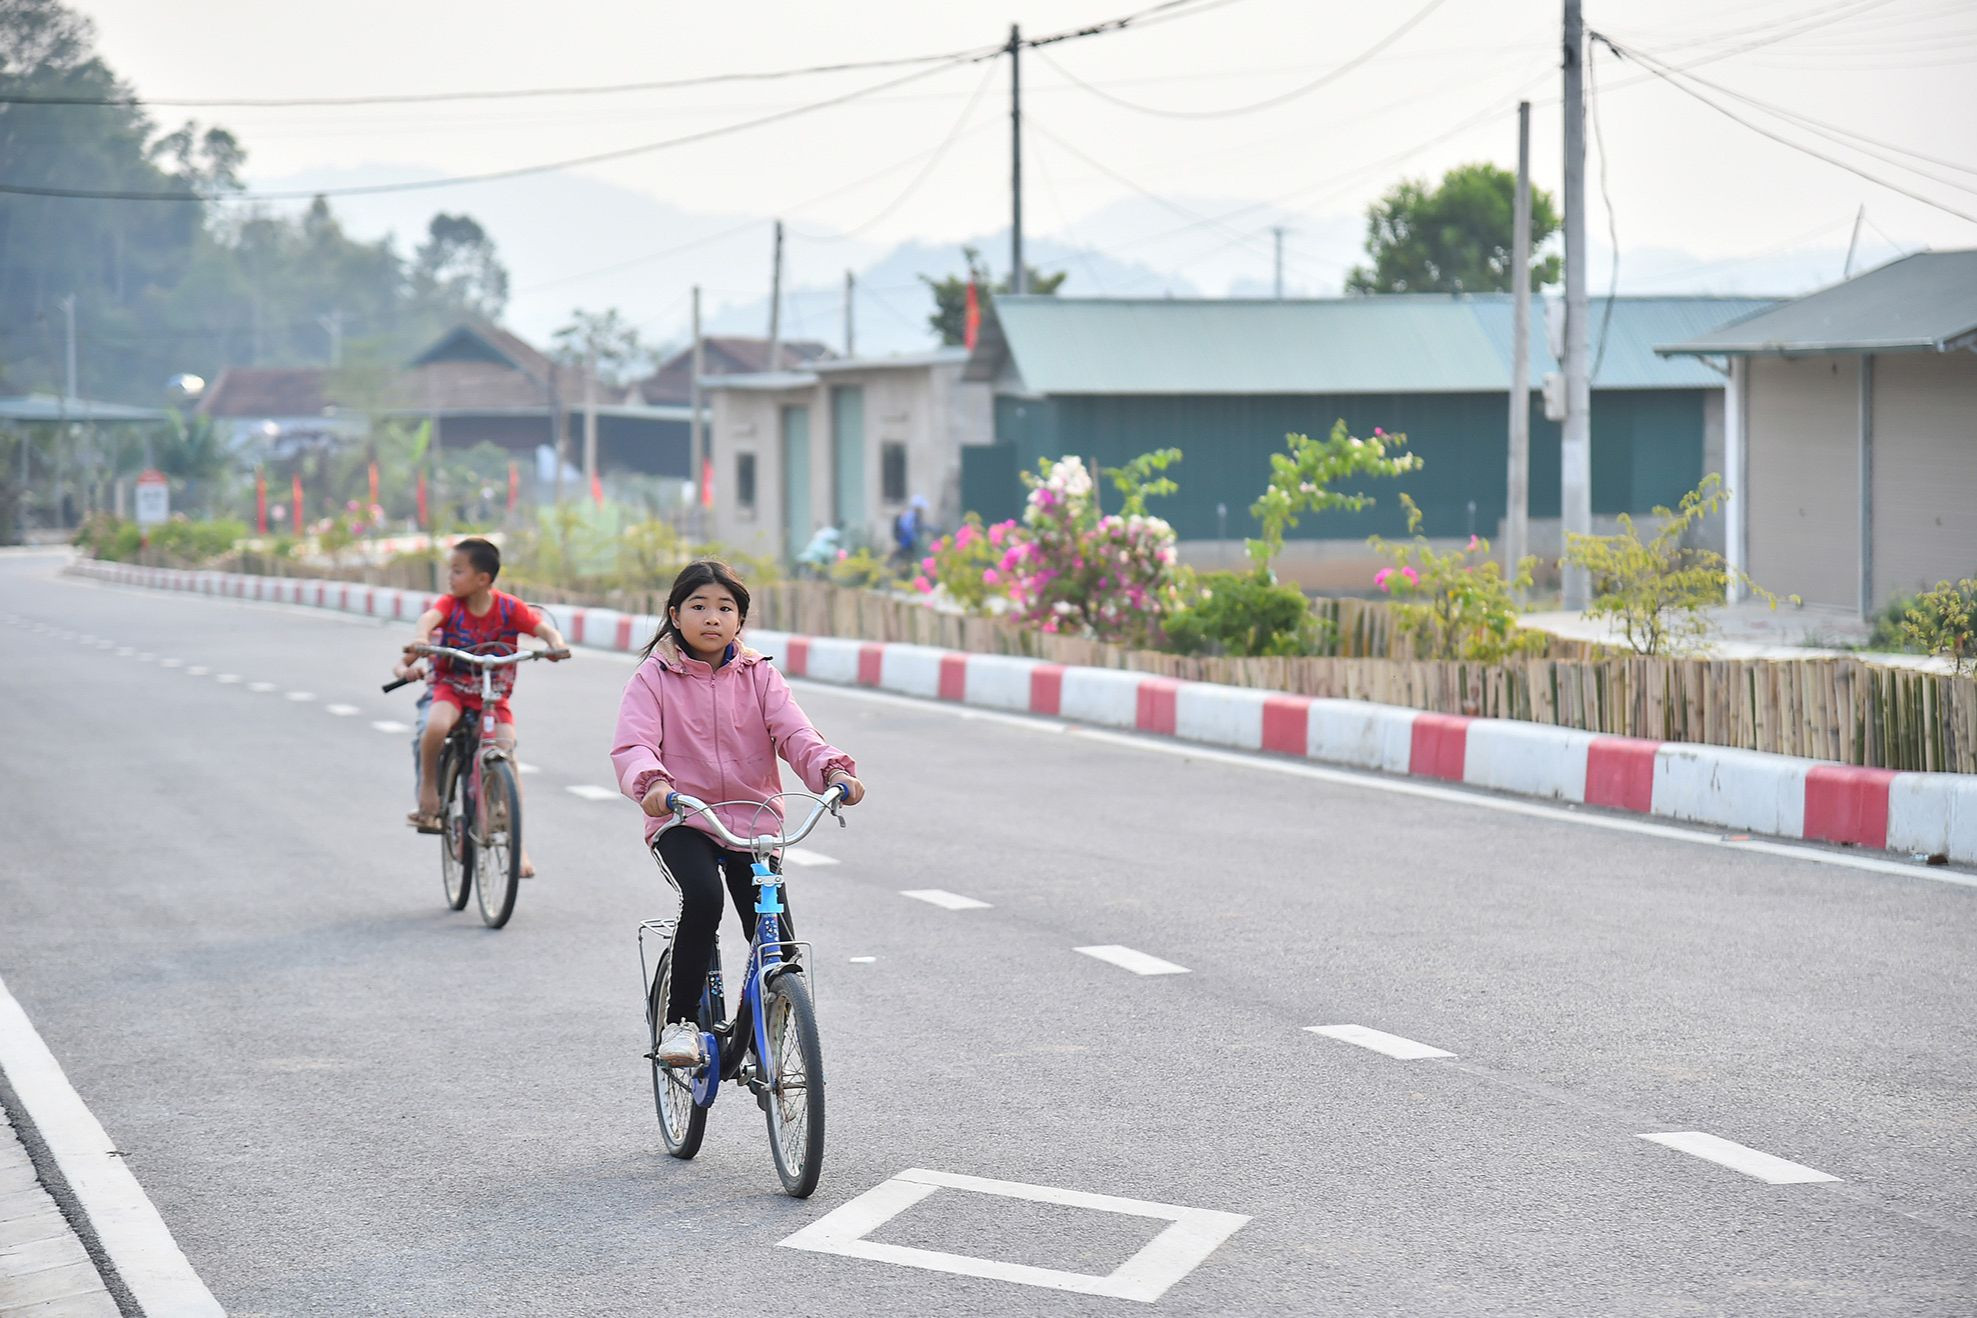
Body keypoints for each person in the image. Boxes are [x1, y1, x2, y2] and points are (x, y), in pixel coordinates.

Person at [610, 559, 866, 1067]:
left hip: (752, 823)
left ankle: (776, 1012)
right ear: (674, 614)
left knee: (774, 932)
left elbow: (795, 735)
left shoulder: (760, 675)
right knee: (704, 900)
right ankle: (680, 1022)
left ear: (740, 621)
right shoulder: (654, 677)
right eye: (699, 607)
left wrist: (833, 772)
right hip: (685, 818)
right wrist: (653, 784)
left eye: (725, 608)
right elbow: (634, 744)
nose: (712, 617)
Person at [399, 537, 570, 877]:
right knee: (434, 727)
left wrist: (556, 644)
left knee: (506, 752)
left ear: (483, 579)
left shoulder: (509, 608)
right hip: (453, 689)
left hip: (493, 697)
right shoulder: (451, 605)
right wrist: (421, 639)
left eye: (458, 571)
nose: (451, 577)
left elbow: (543, 629)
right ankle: (429, 791)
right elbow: (428, 620)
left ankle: (516, 846)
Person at [890, 494, 927, 567]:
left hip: (907, 542)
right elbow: (907, 529)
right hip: (907, 542)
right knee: (908, 560)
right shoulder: (911, 516)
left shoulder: (912, 515)